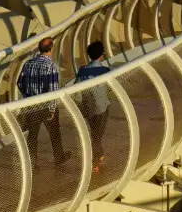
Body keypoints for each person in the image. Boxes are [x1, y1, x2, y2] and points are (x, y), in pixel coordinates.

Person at [16, 36, 68, 165]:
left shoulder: (28, 64)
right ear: (51, 49)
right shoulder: (51, 66)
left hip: (32, 105)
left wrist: (28, 96)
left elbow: (19, 83)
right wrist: (51, 109)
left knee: (32, 136)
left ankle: (32, 164)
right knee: (55, 133)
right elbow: (53, 89)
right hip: (46, 106)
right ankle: (59, 157)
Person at [74, 39, 112, 170]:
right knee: (97, 135)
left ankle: (99, 155)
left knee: (95, 134)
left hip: (89, 107)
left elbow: (76, 89)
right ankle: (95, 162)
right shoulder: (106, 70)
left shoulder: (83, 70)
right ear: (102, 54)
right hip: (103, 107)